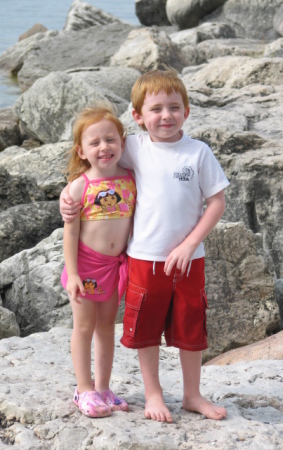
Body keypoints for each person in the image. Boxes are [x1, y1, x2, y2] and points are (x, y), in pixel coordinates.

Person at [60, 69, 229, 423]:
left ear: (187, 110)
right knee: (146, 328)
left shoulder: (197, 153)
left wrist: (190, 244)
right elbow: (96, 163)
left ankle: (192, 394)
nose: (165, 116)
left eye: (174, 107)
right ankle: (153, 394)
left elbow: (217, 202)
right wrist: (68, 194)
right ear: (137, 117)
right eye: (155, 109)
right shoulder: (133, 147)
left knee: (189, 327)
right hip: (142, 259)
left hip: (188, 259)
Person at [61, 101, 137, 418]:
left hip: (114, 267)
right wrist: (74, 274)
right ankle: (84, 389)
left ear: (122, 143)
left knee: (107, 327)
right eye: (94, 142)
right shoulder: (80, 188)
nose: (104, 147)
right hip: (86, 268)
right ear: (81, 151)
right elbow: (70, 234)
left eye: (110, 140)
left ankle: (103, 386)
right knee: (84, 327)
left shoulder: (131, 178)